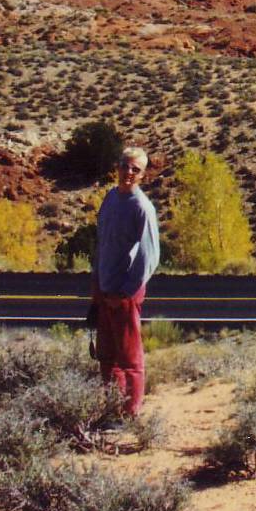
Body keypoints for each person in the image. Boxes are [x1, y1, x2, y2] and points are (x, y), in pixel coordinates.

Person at [92, 145, 160, 414]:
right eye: (125, 165)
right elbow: (102, 244)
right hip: (104, 289)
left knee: (129, 358)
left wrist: (126, 290)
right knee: (106, 357)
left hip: (124, 294)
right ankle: (112, 408)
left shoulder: (142, 207)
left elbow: (150, 255)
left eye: (136, 169)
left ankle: (130, 412)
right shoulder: (110, 198)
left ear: (143, 175)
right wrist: (96, 282)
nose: (128, 172)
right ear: (117, 167)